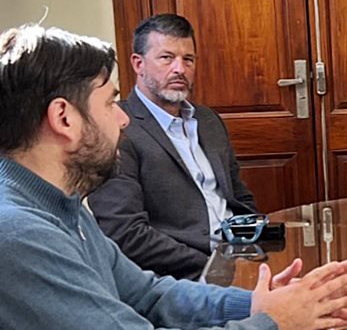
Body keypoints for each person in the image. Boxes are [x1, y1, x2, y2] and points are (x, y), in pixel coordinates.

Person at [0, 24, 347, 330]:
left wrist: (254, 304)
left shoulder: (59, 204)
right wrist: (274, 326)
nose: (123, 118)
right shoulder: (16, 235)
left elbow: (148, 294)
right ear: (64, 118)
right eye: (110, 103)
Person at [88, 14, 256, 279]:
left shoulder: (208, 121)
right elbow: (124, 233)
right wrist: (211, 267)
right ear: (138, 64)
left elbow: (239, 197)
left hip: (241, 257)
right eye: (166, 58)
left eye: (188, 60)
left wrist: (257, 248)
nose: (180, 69)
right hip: (182, 276)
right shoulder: (117, 128)